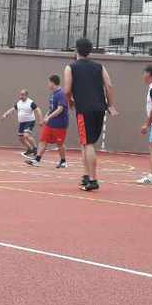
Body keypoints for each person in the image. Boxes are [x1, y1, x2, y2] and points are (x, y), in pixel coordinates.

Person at [63, 38, 119, 192]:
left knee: (88, 144)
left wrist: (70, 101)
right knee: (86, 142)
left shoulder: (70, 67)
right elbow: (109, 85)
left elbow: (67, 90)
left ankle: (93, 179)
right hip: (100, 108)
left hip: (84, 109)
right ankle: (86, 175)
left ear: (76, 50)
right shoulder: (100, 67)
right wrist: (110, 105)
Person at [26, 74, 69, 169]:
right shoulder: (52, 94)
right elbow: (51, 108)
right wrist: (45, 118)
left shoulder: (61, 94)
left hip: (60, 124)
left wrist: (49, 117)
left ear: (53, 83)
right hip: (50, 123)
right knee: (43, 140)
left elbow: (60, 109)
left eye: (49, 82)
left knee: (59, 144)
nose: (48, 84)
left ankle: (63, 161)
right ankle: (37, 160)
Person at [0, 89, 42, 157]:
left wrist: (40, 120)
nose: (21, 96)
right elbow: (12, 109)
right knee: (21, 138)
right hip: (22, 122)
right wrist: (5, 114)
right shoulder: (19, 103)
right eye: (20, 95)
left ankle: (35, 149)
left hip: (30, 121)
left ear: (26, 95)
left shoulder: (31, 103)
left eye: (22, 95)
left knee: (26, 135)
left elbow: (38, 110)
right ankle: (29, 149)